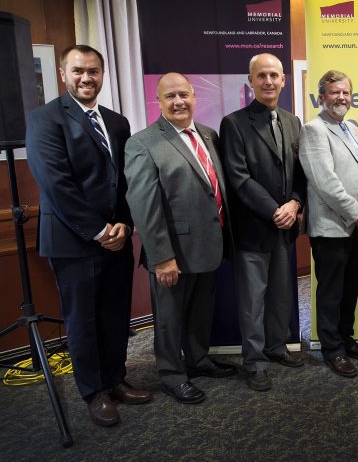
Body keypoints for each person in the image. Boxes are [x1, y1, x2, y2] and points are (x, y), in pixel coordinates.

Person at [25, 45, 151, 426]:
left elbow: (128, 181)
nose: (86, 78)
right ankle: (93, 392)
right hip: (74, 242)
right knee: (84, 320)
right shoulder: (45, 120)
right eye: (78, 71)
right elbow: (56, 185)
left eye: (93, 71)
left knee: (115, 315)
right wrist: (99, 231)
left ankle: (116, 379)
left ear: (103, 74)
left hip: (117, 238)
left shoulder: (117, 122)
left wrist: (125, 225)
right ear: (64, 74)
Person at [124, 73, 236, 404]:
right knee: (170, 318)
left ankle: (198, 361)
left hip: (209, 245)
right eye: (170, 96)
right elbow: (144, 204)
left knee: (201, 311)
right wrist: (161, 257)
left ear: (193, 97)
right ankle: (173, 375)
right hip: (172, 252)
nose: (178, 102)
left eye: (184, 94)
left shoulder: (208, 134)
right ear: (158, 102)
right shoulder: (143, 143)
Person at [219, 53, 306, 391]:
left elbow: (301, 172)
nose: (269, 81)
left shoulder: (292, 121)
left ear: (283, 80)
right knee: (253, 301)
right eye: (262, 76)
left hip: (285, 228)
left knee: (282, 296)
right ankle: (254, 362)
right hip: (255, 229)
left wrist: (296, 202)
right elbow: (239, 178)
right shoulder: (235, 123)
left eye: (274, 75)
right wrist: (275, 210)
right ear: (251, 81)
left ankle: (275, 346)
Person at [299, 70, 358, 378]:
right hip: (331, 227)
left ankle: (346, 338)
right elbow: (324, 182)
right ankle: (332, 349)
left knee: (351, 287)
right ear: (322, 97)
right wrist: (356, 212)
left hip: (357, 225)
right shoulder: (313, 130)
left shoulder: (353, 129)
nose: (341, 97)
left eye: (345, 92)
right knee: (331, 292)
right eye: (334, 92)